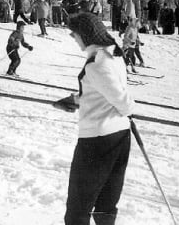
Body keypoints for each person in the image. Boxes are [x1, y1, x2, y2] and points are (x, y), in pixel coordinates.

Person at [54, 12, 135, 225]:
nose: (73, 38)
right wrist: (75, 100)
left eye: (74, 34)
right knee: (105, 205)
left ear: (86, 34)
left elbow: (123, 101)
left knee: (78, 209)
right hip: (119, 137)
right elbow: (102, 93)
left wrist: (125, 110)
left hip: (98, 141)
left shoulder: (97, 64)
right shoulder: (112, 54)